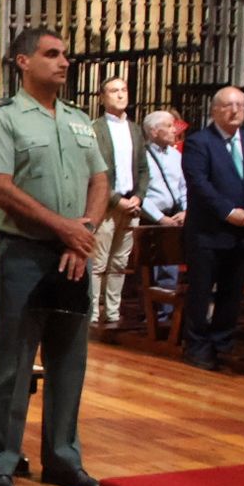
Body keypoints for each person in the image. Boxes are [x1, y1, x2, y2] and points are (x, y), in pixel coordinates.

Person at [0, 27, 108, 486]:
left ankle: (63, 459)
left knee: (69, 359)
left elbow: (99, 178)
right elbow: (0, 185)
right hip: (26, 253)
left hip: (75, 252)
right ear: (23, 62)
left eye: (65, 55)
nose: (64, 62)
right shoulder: (4, 119)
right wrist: (63, 228)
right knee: (11, 361)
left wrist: (84, 230)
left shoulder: (78, 120)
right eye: (52, 54)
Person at [180, 86, 244, 371]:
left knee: (232, 292)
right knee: (201, 291)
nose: (235, 111)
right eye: (227, 105)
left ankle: (223, 342)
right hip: (208, 232)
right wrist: (229, 212)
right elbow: (200, 184)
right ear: (214, 110)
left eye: (240, 106)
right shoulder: (200, 142)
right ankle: (196, 345)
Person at [90, 76, 149, 328]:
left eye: (124, 90)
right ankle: (92, 311)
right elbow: (93, 170)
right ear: (103, 97)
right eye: (114, 91)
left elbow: (144, 169)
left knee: (119, 262)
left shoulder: (135, 129)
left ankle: (112, 311)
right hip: (106, 205)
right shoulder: (96, 128)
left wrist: (139, 196)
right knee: (99, 261)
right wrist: (115, 200)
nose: (121, 95)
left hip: (131, 203)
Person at [139, 109, 186, 322]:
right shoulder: (142, 156)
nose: (174, 129)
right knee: (156, 269)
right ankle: (157, 314)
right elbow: (140, 192)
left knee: (172, 267)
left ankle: (170, 315)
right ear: (154, 131)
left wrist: (185, 210)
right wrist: (159, 218)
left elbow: (184, 187)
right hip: (154, 218)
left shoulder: (176, 155)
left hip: (176, 217)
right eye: (168, 125)